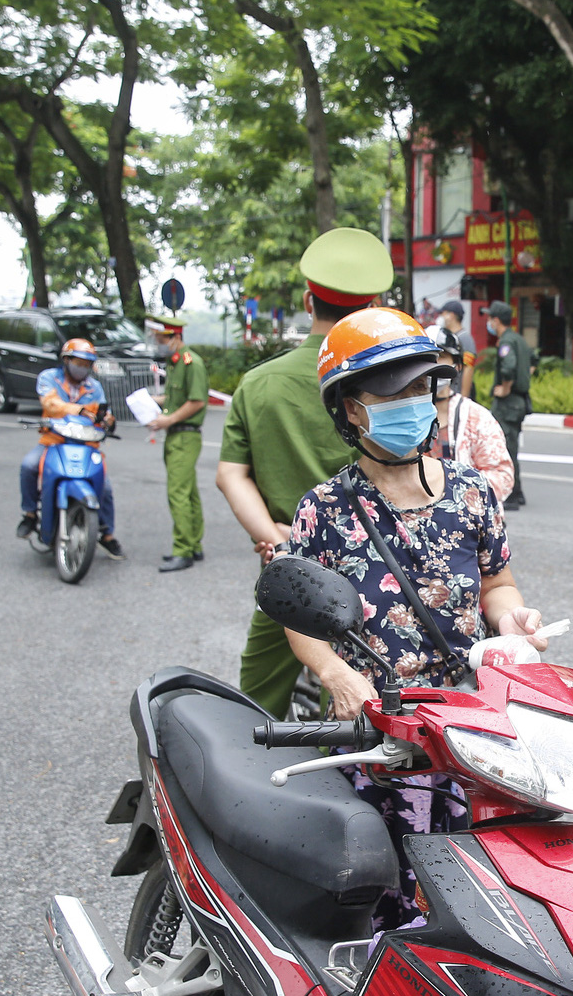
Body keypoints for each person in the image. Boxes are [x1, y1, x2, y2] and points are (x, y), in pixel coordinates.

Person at [282, 306, 546, 928]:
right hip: (377, 734)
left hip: (472, 731)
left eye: (419, 386)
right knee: (385, 910)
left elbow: (497, 583)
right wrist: (334, 674)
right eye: (390, 390)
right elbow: (297, 613)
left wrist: (513, 620)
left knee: (488, 900)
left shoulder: (472, 492)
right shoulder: (323, 510)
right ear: (351, 407)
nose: (411, 401)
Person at [216, 226, 395, 717]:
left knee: (255, 697)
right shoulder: (387, 387)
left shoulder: (258, 383)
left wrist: (271, 534)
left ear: (307, 300)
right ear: (374, 303)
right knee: (352, 701)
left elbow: (231, 474)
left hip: (289, 570)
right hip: (375, 569)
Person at [19, 338, 123, 560]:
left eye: (87, 364)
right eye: (79, 362)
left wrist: (108, 420)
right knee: (29, 466)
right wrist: (79, 410)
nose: (82, 368)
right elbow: (50, 404)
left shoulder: (94, 387)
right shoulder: (49, 378)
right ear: (66, 360)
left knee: (103, 487)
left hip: (85, 444)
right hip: (53, 440)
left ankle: (107, 534)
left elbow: (103, 413)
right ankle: (29, 513)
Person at [147, 313, 207, 573]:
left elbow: (197, 401)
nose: (158, 343)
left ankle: (183, 550)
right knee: (189, 491)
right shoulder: (174, 363)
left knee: (178, 494)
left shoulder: (190, 362)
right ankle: (193, 544)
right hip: (177, 434)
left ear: (175, 337)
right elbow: (175, 397)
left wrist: (167, 420)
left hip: (184, 434)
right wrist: (150, 401)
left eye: (161, 338)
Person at [428, 325, 513, 501]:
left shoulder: (477, 418)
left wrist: (460, 496)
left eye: (441, 356)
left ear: (457, 366)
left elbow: (502, 476)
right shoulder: (403, 415)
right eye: (427, 358)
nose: (433, 365)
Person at [484, 301, 530, 509]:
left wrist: (505, 387)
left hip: (509, 403)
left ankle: (512, 493)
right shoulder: (518, 339)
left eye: (490, 319)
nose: (488, 323)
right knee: (511, 446)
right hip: (520, 402)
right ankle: (517, 492)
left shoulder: (506, 342)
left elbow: (509, 366)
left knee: (506, 448)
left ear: (496, 320)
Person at [437, 299, 477, 400]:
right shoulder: (450, 338)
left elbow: (468, 369)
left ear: (451, 315)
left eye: (443, 314)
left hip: (458, 394)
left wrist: (463, 399)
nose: (441, 317)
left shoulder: (465, 338)